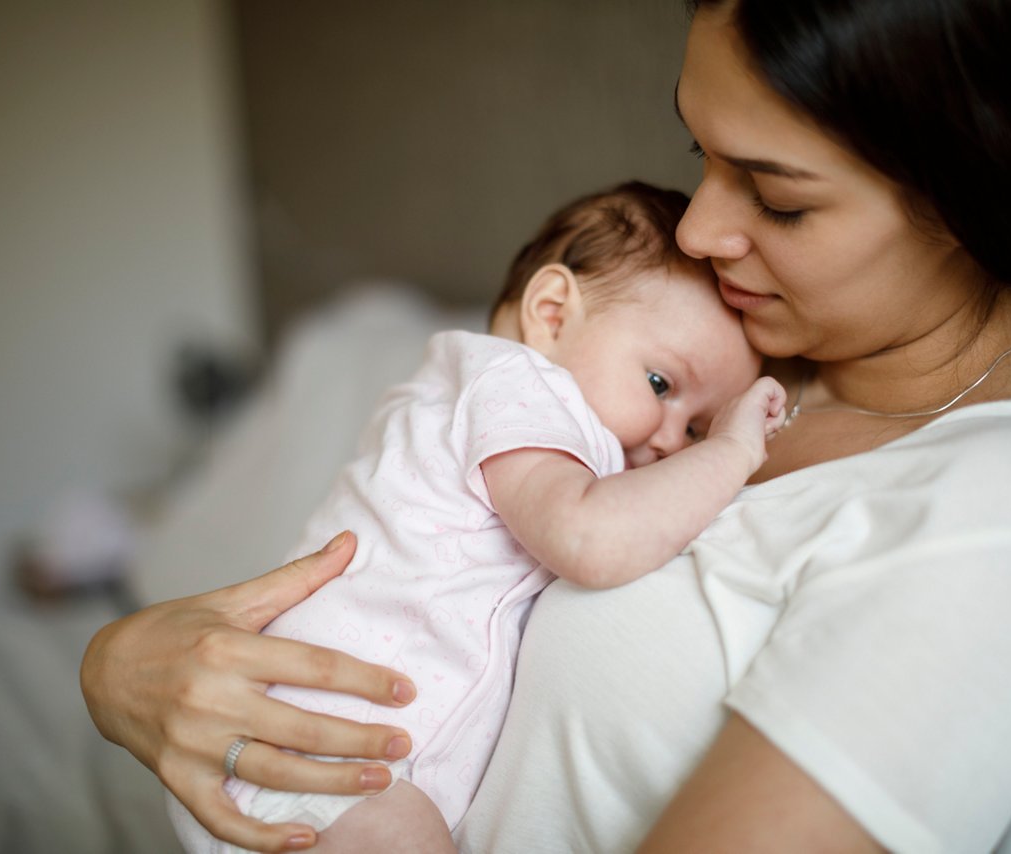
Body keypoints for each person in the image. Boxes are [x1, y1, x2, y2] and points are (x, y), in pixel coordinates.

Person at [80, 0, 1011, 851]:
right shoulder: (723, 338)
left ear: (970, 198)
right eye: (701, 153)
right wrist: (118, 667)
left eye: (776, 199)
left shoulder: (995, 512)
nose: (698, 227)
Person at [166, 181, 785, 853]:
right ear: (551, 313)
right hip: (317, 764)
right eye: (661, 385)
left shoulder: (503, 406)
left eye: (697, 427)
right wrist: (730, 449)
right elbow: (590, 539)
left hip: (333, 770)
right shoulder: (515, 389)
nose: (672, 441)